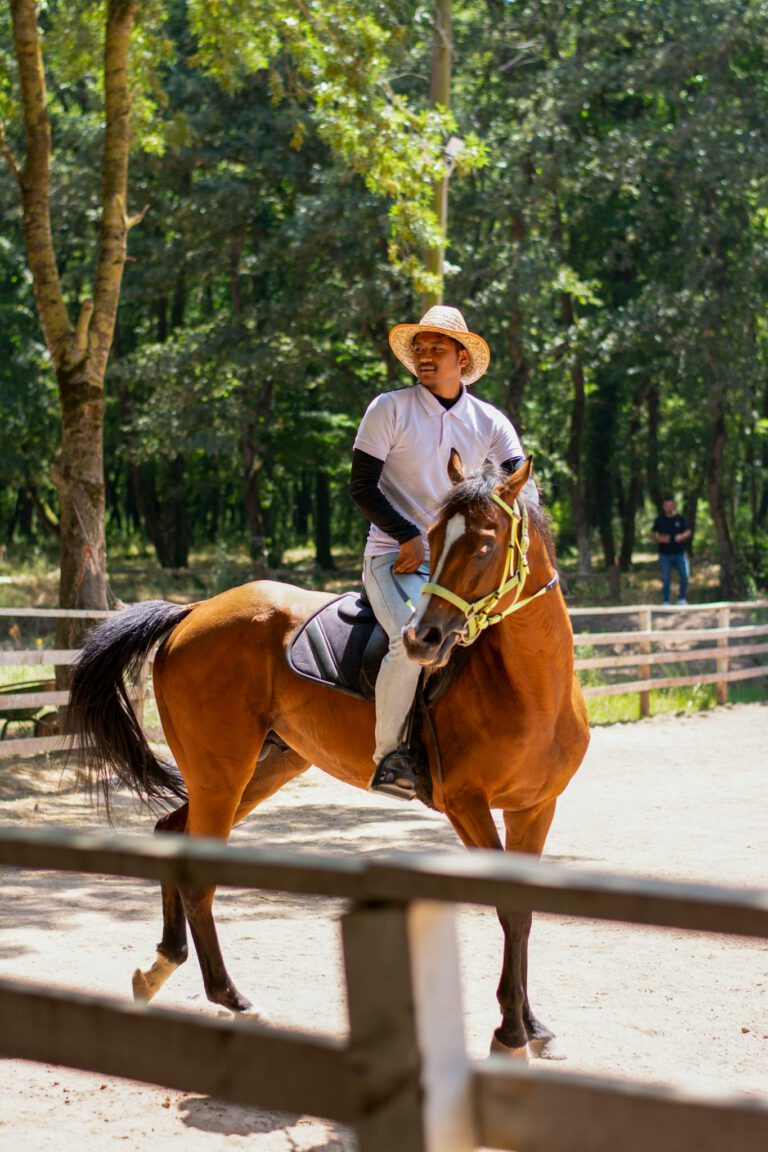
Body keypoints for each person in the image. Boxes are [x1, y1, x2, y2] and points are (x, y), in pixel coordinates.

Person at [349, 305, 532, 801]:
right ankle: (389, 756)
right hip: (395, 554)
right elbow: (361, 488)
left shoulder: (489, 420)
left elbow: (522, 490)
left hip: (460, 563)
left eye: (436, 349)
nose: (424, 357)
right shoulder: (389, 408)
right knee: (409, 641)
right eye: (419, 350)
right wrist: (407, 534)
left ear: (461, 358)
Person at [651, 495, 692, 606]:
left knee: (684, 576)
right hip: (665, 554)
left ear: (674, 505)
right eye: (667, 506)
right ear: (664, 507)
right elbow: (653, 534)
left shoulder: (680, 518)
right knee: (666, 578)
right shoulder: (659, 520)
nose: (669, 508)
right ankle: (666, 601)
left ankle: (682, 598)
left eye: (671, 505)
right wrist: (659, 539)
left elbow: (688, 531)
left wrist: (682, 536)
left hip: (679, 553)